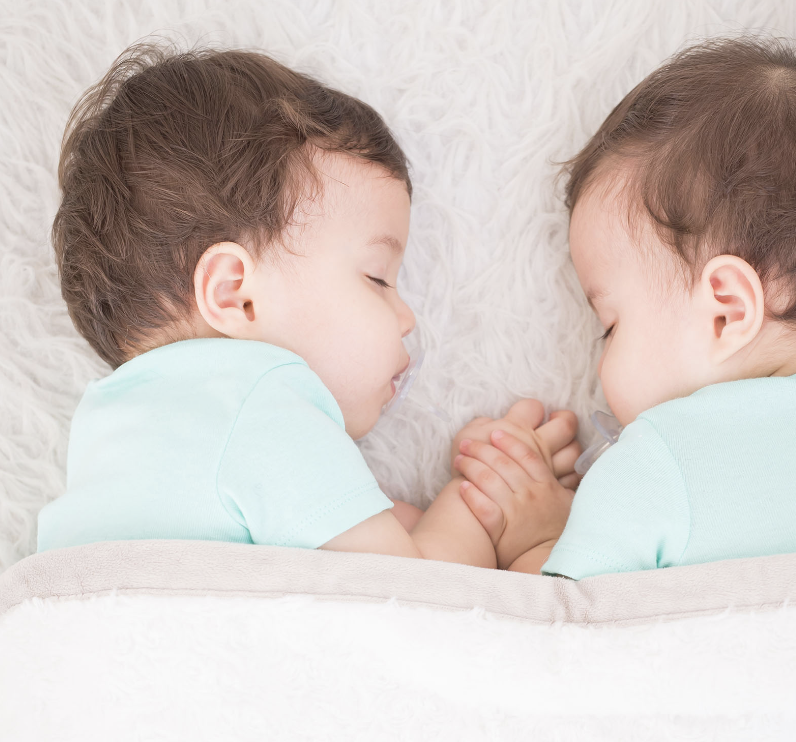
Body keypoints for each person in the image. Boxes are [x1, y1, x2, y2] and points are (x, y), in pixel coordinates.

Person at [455, 36, 796, 577]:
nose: (598, 366)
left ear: (726, 311)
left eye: (610, 326)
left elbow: (568, 620)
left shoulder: (658, 457)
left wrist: (537, 536)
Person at [37, 43, 579, 568]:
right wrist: (482, 496)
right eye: (377, 278)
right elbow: (410, 589)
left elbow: (327, 552)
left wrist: (423, 514)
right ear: (235, 294)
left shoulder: (110, 430)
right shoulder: (261, 398)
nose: (408, 318)